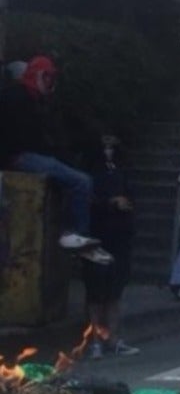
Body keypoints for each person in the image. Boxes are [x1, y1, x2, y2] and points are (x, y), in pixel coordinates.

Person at [0, 55, 111, 264]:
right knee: (81, 182)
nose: (51, 83)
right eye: (48, 77)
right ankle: (76, 235)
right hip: (17, 157)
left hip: (20, 155)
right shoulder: (19, 98)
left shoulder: (29, 99)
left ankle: (73, 233)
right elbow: (28, 139)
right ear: (40, 75)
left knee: (76, 179)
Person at [82, 134, 138, 358]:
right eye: (104, 146)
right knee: (95, 292)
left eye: (112, 146)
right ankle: (95, 340)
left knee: (115, 291)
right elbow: (89, 202)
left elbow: (133, 198)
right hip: (98, 236)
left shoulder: (123, 172)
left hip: (120, 236)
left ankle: (112, 338)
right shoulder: (89, 174)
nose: (109, 151)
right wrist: (110, 203)